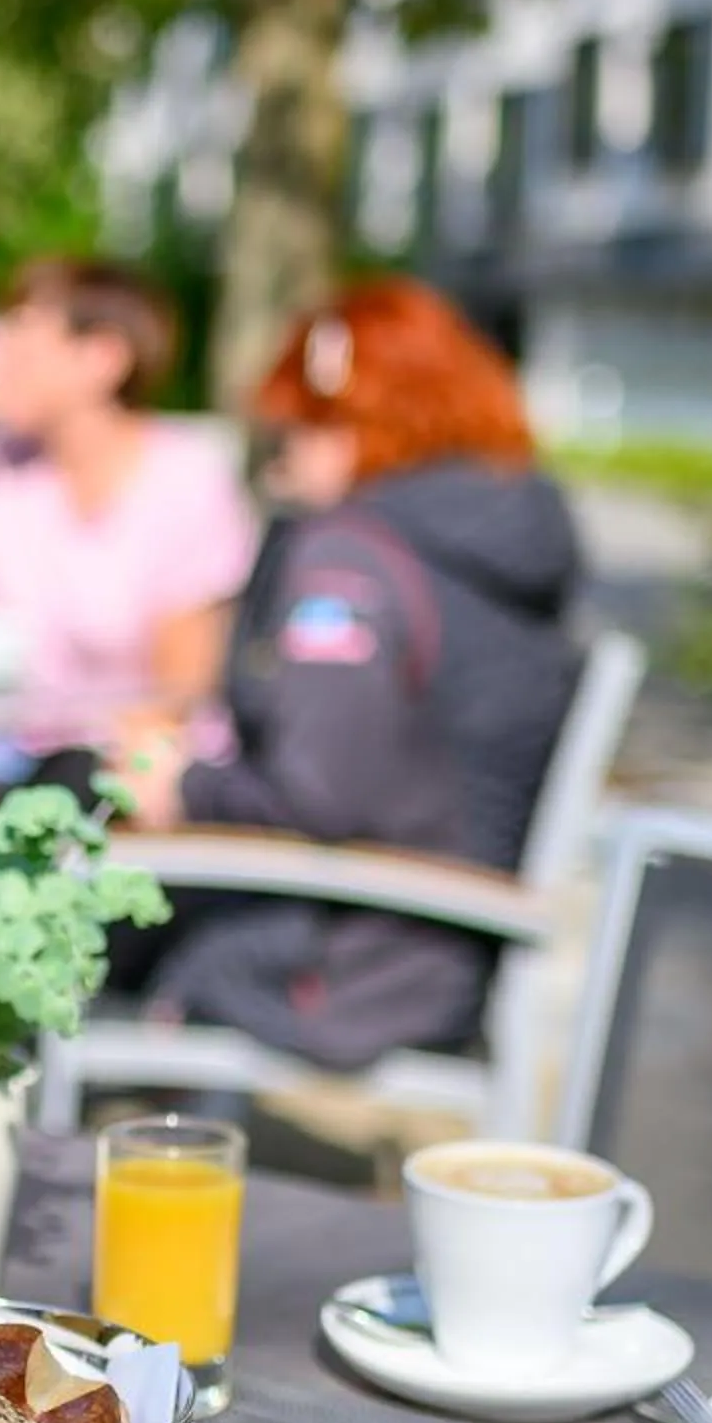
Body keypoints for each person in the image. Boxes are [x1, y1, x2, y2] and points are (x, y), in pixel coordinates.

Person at [116, 277, 586, 1073]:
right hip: (441, 950)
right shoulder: (498, 541)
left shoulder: (352, 560)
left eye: (294, 428)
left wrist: (180, 788)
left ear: (357, 419)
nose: (280, 449)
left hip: (348, 960)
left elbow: (319, 790)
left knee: (53, 896)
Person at [0, 257, 255, 756]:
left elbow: (182, 688)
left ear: (102, 358)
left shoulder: (184, 480)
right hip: (17, 767)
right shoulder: (4, 473)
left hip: (141, 775)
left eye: (22, 340)